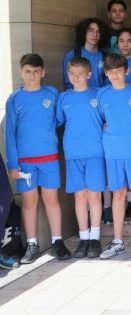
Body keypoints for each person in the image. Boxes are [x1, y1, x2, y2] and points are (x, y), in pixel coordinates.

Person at [4, 54, 71, 264]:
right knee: (29, 201)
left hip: (49, 157)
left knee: (52, 199)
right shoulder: (14, 99)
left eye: (36, 71)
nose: (32, 75)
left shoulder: (52, 94)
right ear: (21, 72)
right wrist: (13, 163)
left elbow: (60, 120)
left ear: (43, 72)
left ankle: (57, 241)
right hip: (25, 162)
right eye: (27, 71)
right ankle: (32, 244)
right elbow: (9, 133)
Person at [97, 54, 131, 260]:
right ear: (106, 73)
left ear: (126, 71)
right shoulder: (102, 94)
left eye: (119, 71)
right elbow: (100, 119)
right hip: (112, 149)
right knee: (118, 193)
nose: (115, 75)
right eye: (111, 72)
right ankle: (118, 241)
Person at [56, 56, 106, 259]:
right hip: (73, 153)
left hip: (95, 152)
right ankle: (83, 238)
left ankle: (95, 238)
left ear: (89, 74)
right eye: (72, 74)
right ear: (68, 75)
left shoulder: (99, 94)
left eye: (80, 73)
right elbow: (57, 121)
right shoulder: (64, 98)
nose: (76, 77)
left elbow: (109, 119)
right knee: (79, 196)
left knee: (94, 196)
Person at [63, 17, 108, 89]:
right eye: (91, 31)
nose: (95, 35)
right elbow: (68, 83)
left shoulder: (106, 56)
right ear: (84, 32)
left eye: (98, 32)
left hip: (101, 95)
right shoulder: (72, 55)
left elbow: (109, 83)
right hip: (80, 95)